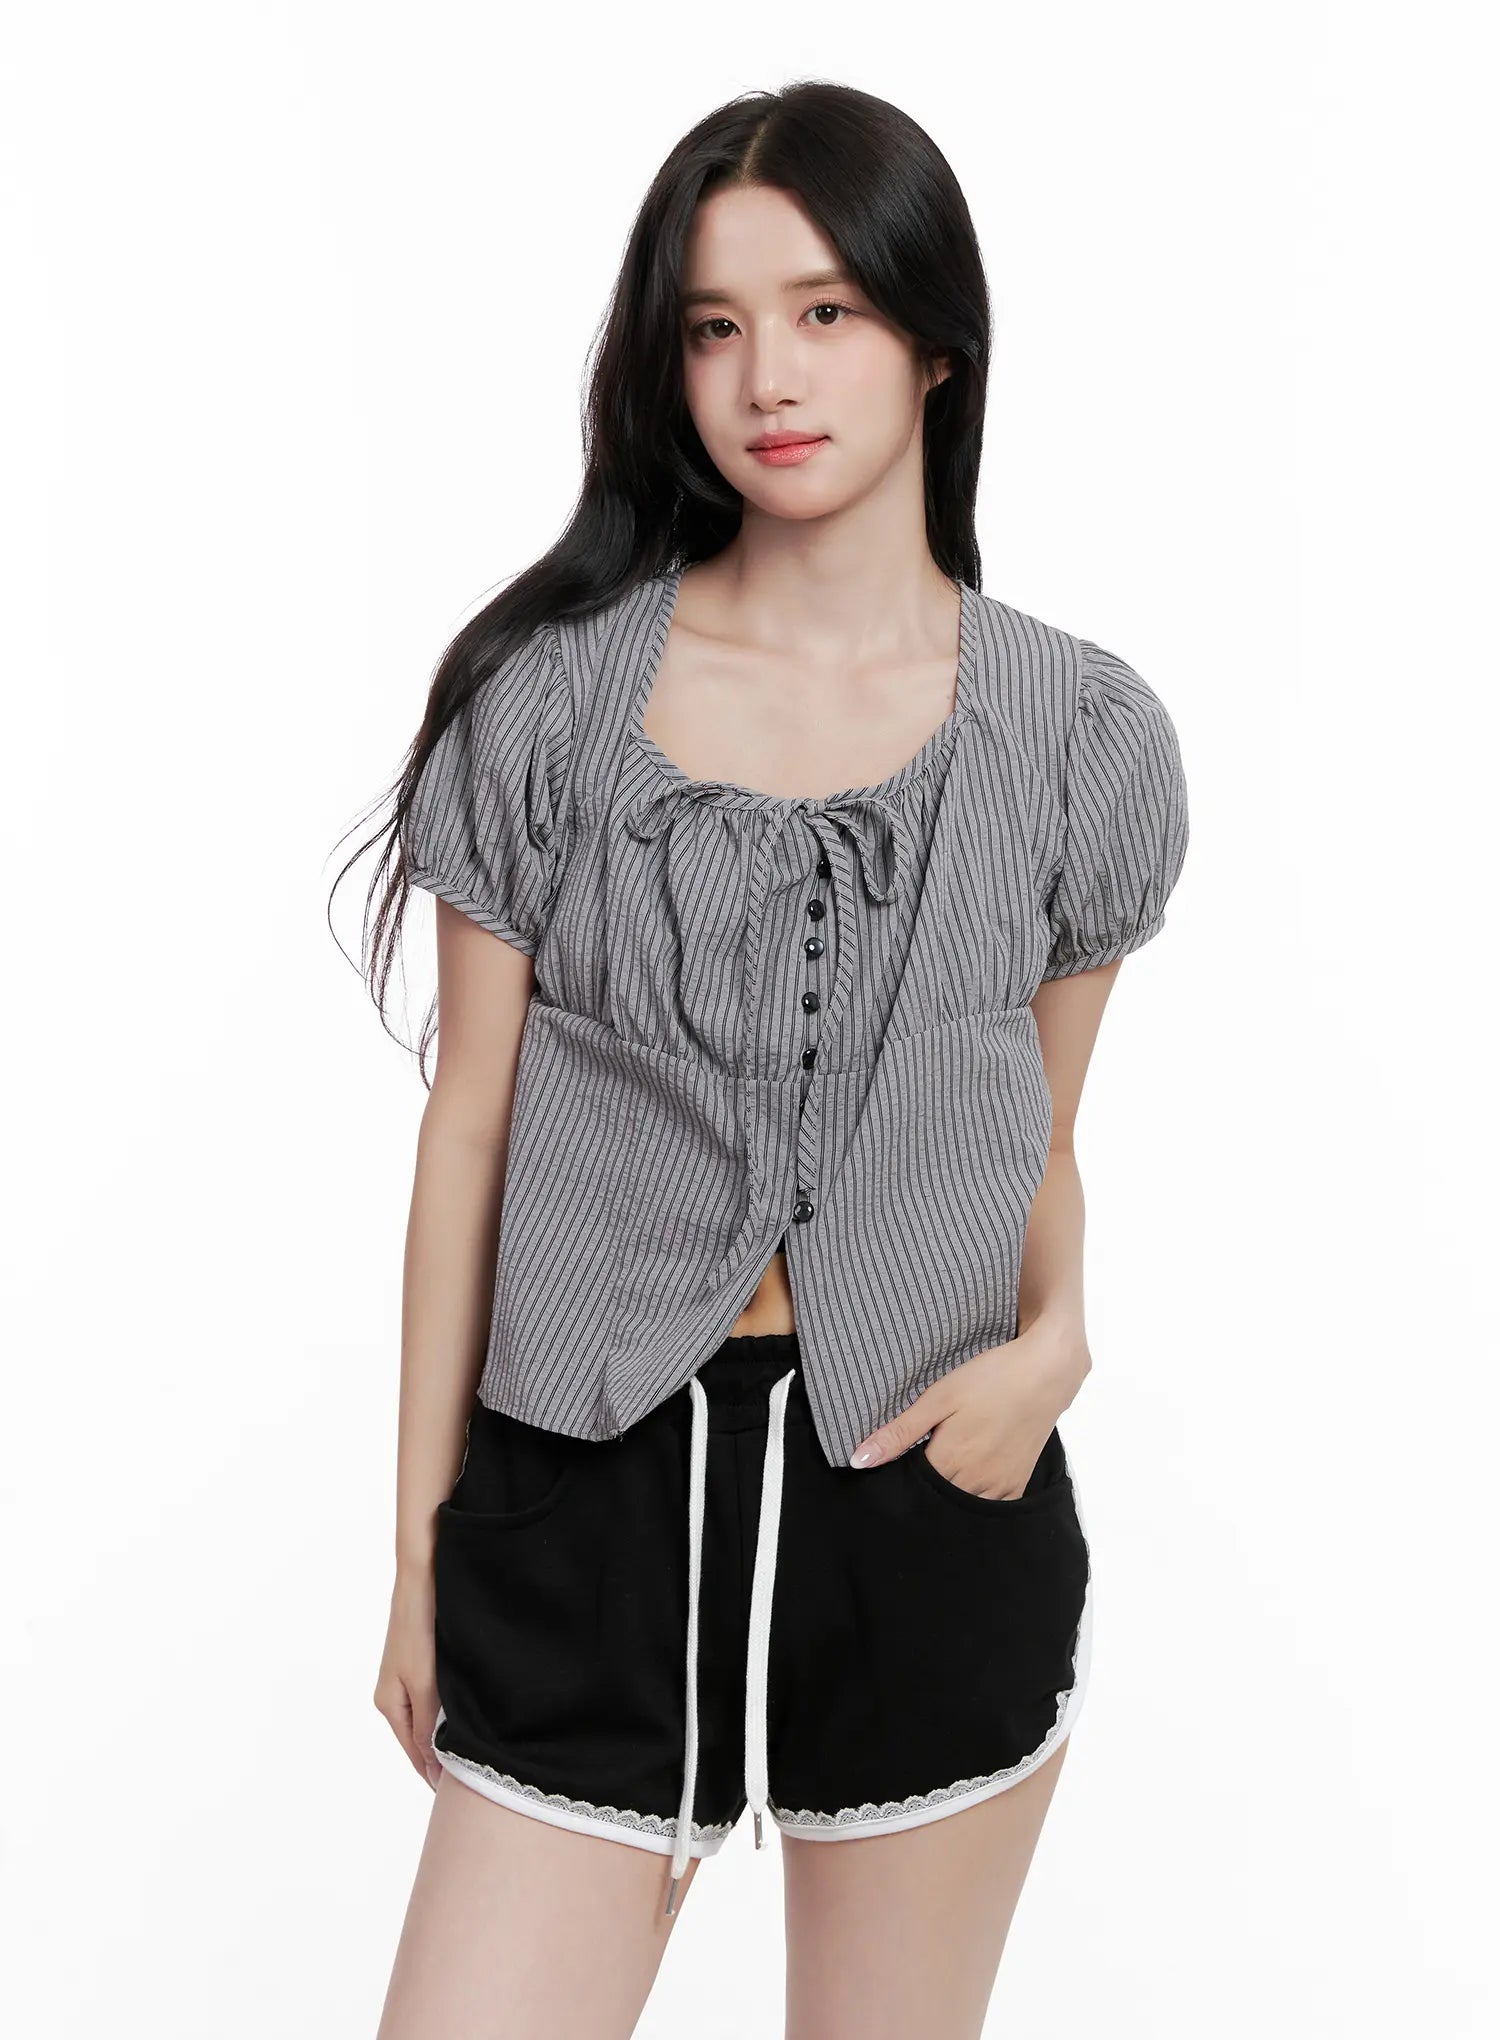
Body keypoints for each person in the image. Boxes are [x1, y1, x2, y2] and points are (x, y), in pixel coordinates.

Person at [353, 79, 1189, 2040]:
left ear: (935, 343)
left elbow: (1036, 1136)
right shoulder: (545, 703)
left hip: (926, 1502)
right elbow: (467, 1133)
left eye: (825, 313)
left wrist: (1059, 1344)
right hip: (582, 1500)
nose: (768, 378)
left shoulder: (1080, 734)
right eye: (715, 327)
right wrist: (416, 1555)